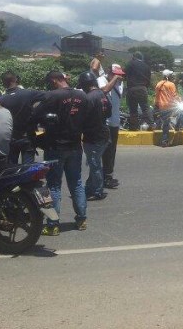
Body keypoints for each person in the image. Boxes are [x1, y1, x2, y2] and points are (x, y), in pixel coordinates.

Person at [31, 71, 89, 235]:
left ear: (55, 80)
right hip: (75, 145)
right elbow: (88, 118)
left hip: (54, 146)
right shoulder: (82, 96)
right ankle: (82, 220)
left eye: (50, 82)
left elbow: (35, 115)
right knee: (76, 183)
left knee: (53, 186)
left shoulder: (52, 96)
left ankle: (53, 224)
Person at [78, 72, 111, 201]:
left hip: (93, 137)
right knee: (94, 163)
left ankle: (97, 191)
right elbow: (109, 113)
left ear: (86, 85)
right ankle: (90, 188)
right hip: (103, 134)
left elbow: (83, 118)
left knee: (94, 165)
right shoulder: (102, 95)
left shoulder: (88, 98)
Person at [0, 72, 44, 164]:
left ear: (3, 82)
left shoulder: (1, 99)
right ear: (15, 80)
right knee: (27, 169)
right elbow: (48, 97)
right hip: (28, 137)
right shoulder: (29, 93)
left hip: (11, 137)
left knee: (11, 169)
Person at [97, 64, 124, 189]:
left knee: (111, 151)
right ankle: (101, 177)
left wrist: (117, 79)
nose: (118, 77)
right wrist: (114, 79)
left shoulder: (120, 84)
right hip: (104, 122)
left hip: (115, 122)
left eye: (120, 74)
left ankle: (108, 176)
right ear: (109, 72)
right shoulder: (101, 80)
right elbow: (104, 90)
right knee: (104, 150)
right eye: (115, 74)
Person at [124, 51, 154, 130]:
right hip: (143, 88)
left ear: (134, 57)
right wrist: (144, 87)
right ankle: (151, 124)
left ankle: (134, 127)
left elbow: (124, 74)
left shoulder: (130, 63)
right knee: (145, 108)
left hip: (132, 89)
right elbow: (149, 80)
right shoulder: (146, 66)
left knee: (133, 109)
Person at [154, 69, 180, 147]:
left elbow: (157, 95)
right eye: (171, 75)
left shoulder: (158, 84)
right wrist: (181, 100)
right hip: (169, 106)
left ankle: (166, 137)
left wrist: (156, 104)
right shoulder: (171, 84)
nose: (172, 76)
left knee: (165, 122)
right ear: (168, 76)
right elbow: (174, 95)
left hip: (161, 106)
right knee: (166, 123)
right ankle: (165, 140)